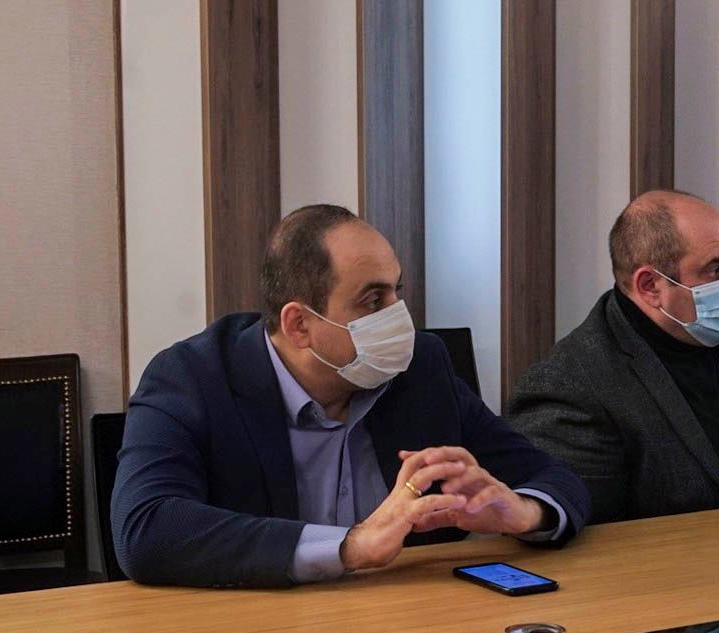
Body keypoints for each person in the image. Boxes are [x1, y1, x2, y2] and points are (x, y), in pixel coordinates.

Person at [113, 204, 589, 587]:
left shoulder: (420, 369)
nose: (400, 317)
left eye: (397, 292)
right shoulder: (192, 378)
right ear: (299, 324)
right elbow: (146, 529)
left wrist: (521, 512)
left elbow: (554, 476)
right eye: (373, 300)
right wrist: (351, 546)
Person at [507, 191, 719, 523]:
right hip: (699, 551)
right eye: (716, 270)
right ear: (650, 286)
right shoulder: (571, 383)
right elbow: (576, 519)